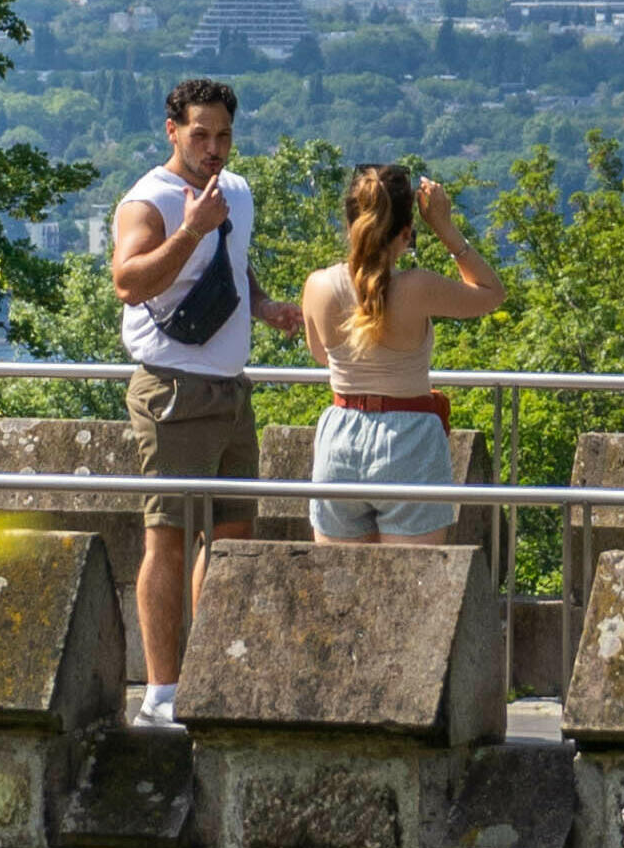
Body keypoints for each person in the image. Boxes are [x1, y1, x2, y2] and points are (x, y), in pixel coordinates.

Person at [109, 76, 302, 718]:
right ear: (172, 130)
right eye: (201, 134)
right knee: (166, 536)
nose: (214, 147)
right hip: (170, 389)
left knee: (230, 535)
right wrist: (190, 229)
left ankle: (210, 678)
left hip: (230, 388)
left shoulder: (236, 193)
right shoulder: (149, 199)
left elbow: (232, 258)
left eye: (223, 135)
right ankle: (161, 693)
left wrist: (264, 303)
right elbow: (128, 281)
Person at [296, 163, 509, 541]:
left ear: (350, 225)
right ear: (406, 233)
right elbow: (492, 293)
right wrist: (446, 228)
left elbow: (320, 355)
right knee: (415, 590)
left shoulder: (318, 286)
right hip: (409, 437)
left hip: (340, 434)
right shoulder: (418, 286)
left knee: (338, 587)